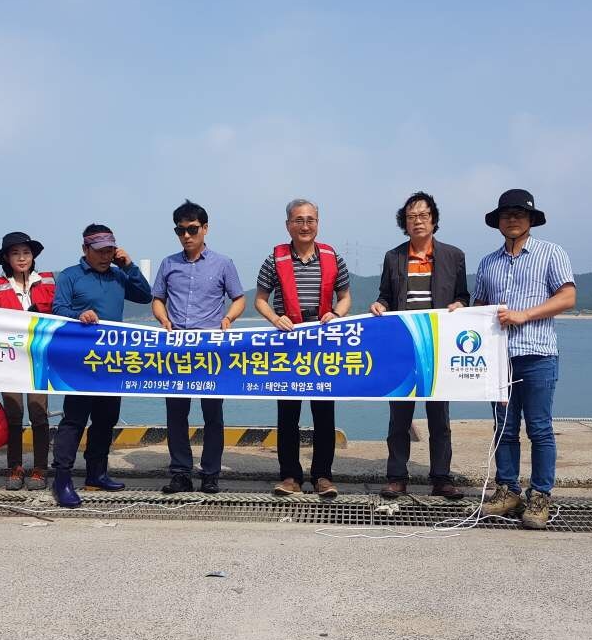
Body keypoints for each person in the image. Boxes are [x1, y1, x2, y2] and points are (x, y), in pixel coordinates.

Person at [473, 189, 576, 529]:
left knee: (540, 428)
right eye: (506, 214)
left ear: (531, 219)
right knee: (503, 428)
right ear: (498, 222)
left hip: (538, 353)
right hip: (499, 359)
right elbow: (479, 308)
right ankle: (507, 490)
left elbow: (567, 297)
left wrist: (524, 315)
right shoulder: (488, 262)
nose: (513, 219)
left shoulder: (551, 253)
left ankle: (540, 494)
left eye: (519, 213)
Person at [371, 192, 470, 500]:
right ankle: (396, 476)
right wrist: (379, 305)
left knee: (439, 417)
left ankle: (441, 477)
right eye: (411, 216)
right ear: (405, 222)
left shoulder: (454, 256)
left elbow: (463, 296)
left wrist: (459, 304)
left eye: (423, 215)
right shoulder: (393, 257)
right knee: (399, 416)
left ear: (434, 220)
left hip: (438, 348)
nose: (418, 221)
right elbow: (385, 295)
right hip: (403, 348)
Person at [50, 224, 153, 508]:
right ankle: (62, 479)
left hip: (112, 361)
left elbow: (146, 296)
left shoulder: (119, 274)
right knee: (74, 420)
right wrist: (78, 313)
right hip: (81, 362)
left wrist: (130, 266)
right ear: (85, 250)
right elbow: (57, 309)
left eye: (110, 250)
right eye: (100, 251)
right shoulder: (70, 276)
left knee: (106, 419)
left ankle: (97, 473)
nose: (106, 256)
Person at [255, 199, 351, 497]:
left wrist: (336, 314)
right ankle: (290, 476)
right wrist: (274, 318)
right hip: (288, 343)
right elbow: (260, 299)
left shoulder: (333, 256)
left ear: (318, 223)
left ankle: (323, 475)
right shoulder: (275, 259)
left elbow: (345, 296)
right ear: (288, 225)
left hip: (322, 343)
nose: (305, 225)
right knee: (288, 413)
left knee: (324, 412)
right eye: (298, 220)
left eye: (310, 219)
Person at [152, 200, 246, 494]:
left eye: (192, 229)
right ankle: (180, 472)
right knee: (176, 414)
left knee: (212, 414)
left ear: (205, 228)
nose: (187, 236)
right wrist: (163, 319)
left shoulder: (223, 263)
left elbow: (239, 297)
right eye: (180, 230)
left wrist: (229, 318)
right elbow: (157, 298)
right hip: (177, 348)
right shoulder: (168, 264)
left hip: (210, 350)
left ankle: (210, 473)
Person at [0, 232, 55, 491]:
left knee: (39, 413)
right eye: (15, 253)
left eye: (26, 252)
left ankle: (40, 468)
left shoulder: (49, 283)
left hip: (39, 359)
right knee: (13, 414)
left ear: (33, 256)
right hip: (9, 360)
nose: (22, 258)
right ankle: (14, 466)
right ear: (6, 258)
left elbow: (60, 316)